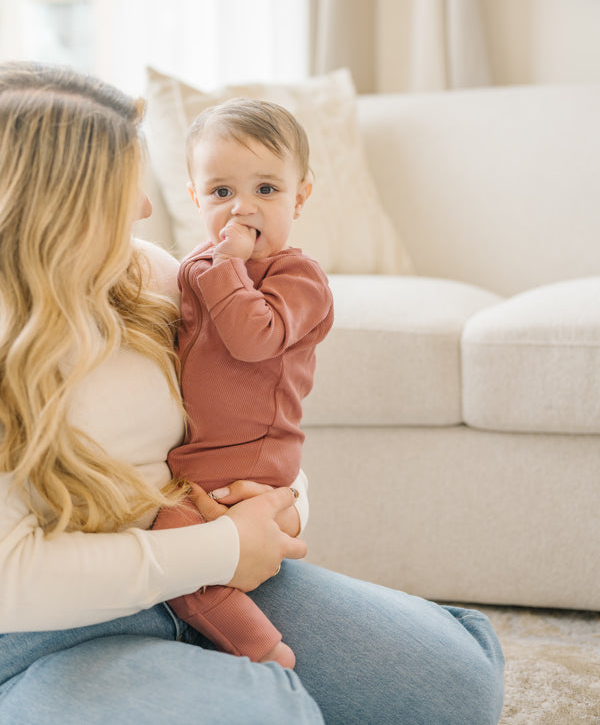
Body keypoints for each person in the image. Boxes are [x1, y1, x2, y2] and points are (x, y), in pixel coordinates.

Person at [0, 62, 504, 725]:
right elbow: (12, 583)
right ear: (57, 204)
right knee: (270, 711)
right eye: (125, 189)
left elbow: (255, 406)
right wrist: (225, 548)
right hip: (44, 627)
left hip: (202, 581)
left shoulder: (147, 272)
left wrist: (278, 506)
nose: (147, 208)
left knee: (457, 687)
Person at [153, 98, 334, 669]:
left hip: (251, 459)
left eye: (266, 190)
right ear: (195, 199)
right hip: (205, 454)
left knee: (173, 553)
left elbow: (255, 338)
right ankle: (239, 638)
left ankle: (262, 653)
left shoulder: (298, 276)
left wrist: (226, 266)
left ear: (300, 196)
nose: (243, 210)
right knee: (177, 556)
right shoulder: (200, 268)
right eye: (222, 193)